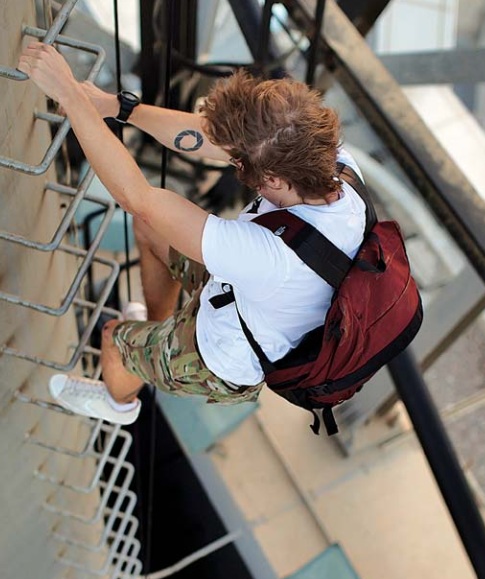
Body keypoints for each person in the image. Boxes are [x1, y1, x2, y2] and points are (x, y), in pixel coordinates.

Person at [17, 43, 367, 426]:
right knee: (151, 228)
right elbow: (207, 141)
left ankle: (119, 402)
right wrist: (116, 107)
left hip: (220, 355)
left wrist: (70, 95)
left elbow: (138, 199)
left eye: (241, 166)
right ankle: (156, 326)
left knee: (114, 338)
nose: (236, 168)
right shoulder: (331, 163)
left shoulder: (270, 255)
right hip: (243, 295)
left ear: (275, 181)